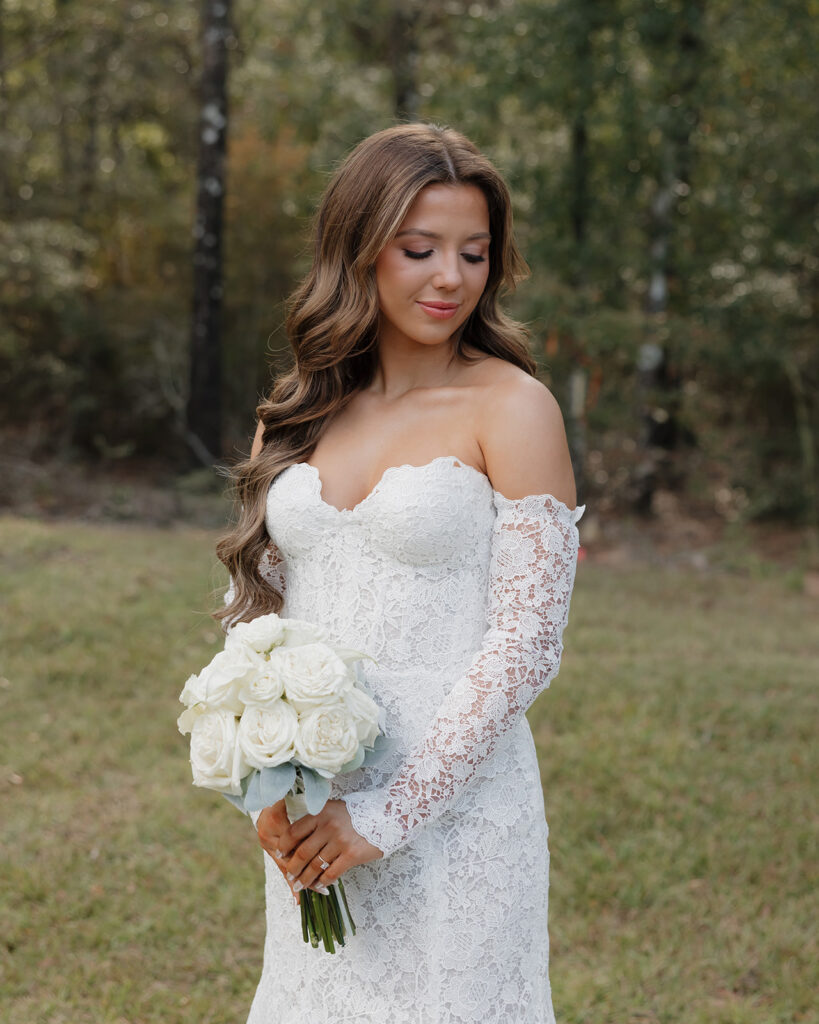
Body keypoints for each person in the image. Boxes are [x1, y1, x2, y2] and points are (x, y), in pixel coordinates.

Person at [216, 122, 584, 1024]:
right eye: (418, 249)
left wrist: (384, 816)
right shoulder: (295, 413)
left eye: (473, 252)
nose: (450, 277)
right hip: (313, 804)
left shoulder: (513, 407)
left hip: (455, 804)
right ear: (359, 250)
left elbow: (526, 647)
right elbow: (248, 617)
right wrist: (261, 788)